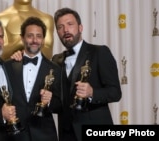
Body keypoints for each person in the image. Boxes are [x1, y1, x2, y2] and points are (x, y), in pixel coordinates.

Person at [11, 7, 122, 141]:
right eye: (60, 27)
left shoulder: (99, 52)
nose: (66, 30)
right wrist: (20, 55)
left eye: (70, 24)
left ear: (80, 27)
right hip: (66, 133)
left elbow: (115, 92)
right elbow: (58, 101)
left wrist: (92, 92)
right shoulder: (55, 61)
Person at [4, 16, 62, 141]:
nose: (34, 40)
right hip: (15, 135)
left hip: (45, 136)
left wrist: (50, 100)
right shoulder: (7, 66)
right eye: (30, 36)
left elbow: (61, 105)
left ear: (43, 39)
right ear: (22, 38)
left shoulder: (55, 69)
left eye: (39, 36)